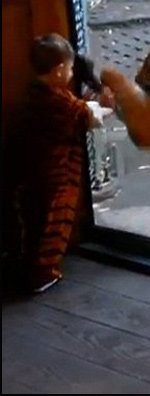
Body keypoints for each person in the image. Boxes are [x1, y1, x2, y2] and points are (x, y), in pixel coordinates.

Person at [15, 33, 112, 293]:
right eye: (70, 68)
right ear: (59, 71)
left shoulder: (33, 95)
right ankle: (43, 273)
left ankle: (28, 266)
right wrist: (104, 104)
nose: (71, 73)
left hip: (32, 171)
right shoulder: (60, 101)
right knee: (55, 220)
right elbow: (89, 118)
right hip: (58, 173)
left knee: (33, 221)